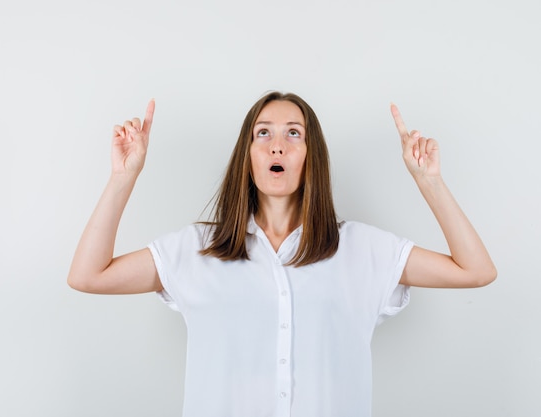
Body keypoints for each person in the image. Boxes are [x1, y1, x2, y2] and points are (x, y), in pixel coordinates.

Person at [67, 91, 496, 417]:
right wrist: (124, 177)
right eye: (263, 133)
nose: (278, 146)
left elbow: (475, 270)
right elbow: (88, 276)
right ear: (248, 156)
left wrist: (429, 181)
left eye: (294, 133)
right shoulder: (196, 250)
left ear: (312, 157)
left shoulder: (363, 249)